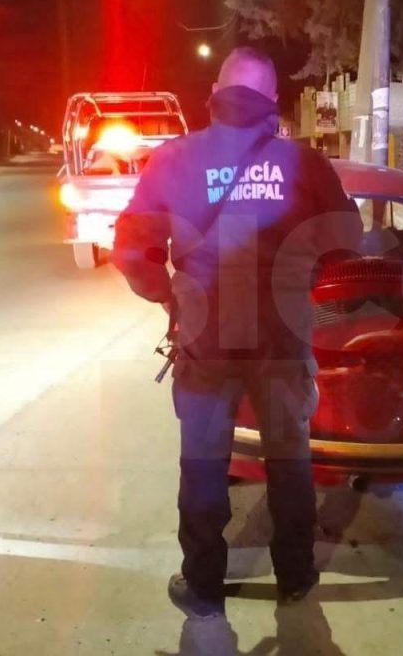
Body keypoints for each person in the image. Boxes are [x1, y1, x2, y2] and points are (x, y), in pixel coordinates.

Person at [112, 47, 362, 617]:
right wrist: (304, 288)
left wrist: (167, 293)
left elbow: (131, 248)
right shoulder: (304, 163)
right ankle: (295, 576)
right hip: (281, 339)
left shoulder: (174, 160)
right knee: (289, 461)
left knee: (203, 464)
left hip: (206, 340)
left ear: (215, 93)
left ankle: (204, 585)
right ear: (272, 100)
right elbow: (347, 244)